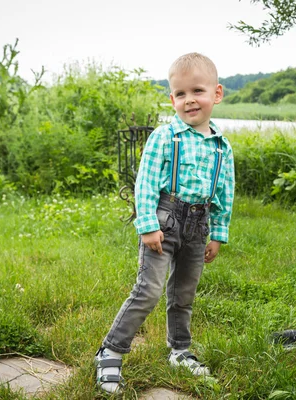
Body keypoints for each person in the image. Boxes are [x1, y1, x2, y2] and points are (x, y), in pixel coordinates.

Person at [94, 52, 235, 394]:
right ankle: (110, 351)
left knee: (183, 294)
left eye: (197, 91)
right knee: (149, 290)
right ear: (172, 99)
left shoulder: (222, 147)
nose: (189, 101)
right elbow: (145, 182)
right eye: (181, 94)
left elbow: (224, 192)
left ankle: (180, 350)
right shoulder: (165, 137)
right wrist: (146, 224)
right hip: (164, 220)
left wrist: (218, 233)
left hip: (198, 226)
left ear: (216, 94)